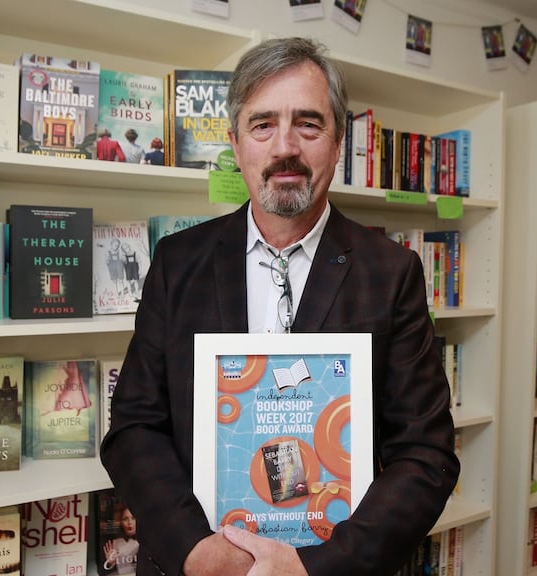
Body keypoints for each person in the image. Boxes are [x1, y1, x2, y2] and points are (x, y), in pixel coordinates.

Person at [100, 36, 458, 576]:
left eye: (309, 124)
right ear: (236, 143)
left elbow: (426, 456)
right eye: (263, 124)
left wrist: (319, 568)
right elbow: (133, 428)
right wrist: (194, 550)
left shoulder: (392, 273)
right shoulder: (178, 263)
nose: (285, 146)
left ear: (338, 144)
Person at [102, 504, 139, 574]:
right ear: (121, 522)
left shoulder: (146, 542)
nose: (129, 522)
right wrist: (110, 563)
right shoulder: (114, 544)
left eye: (133, 518)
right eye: (125, 519)